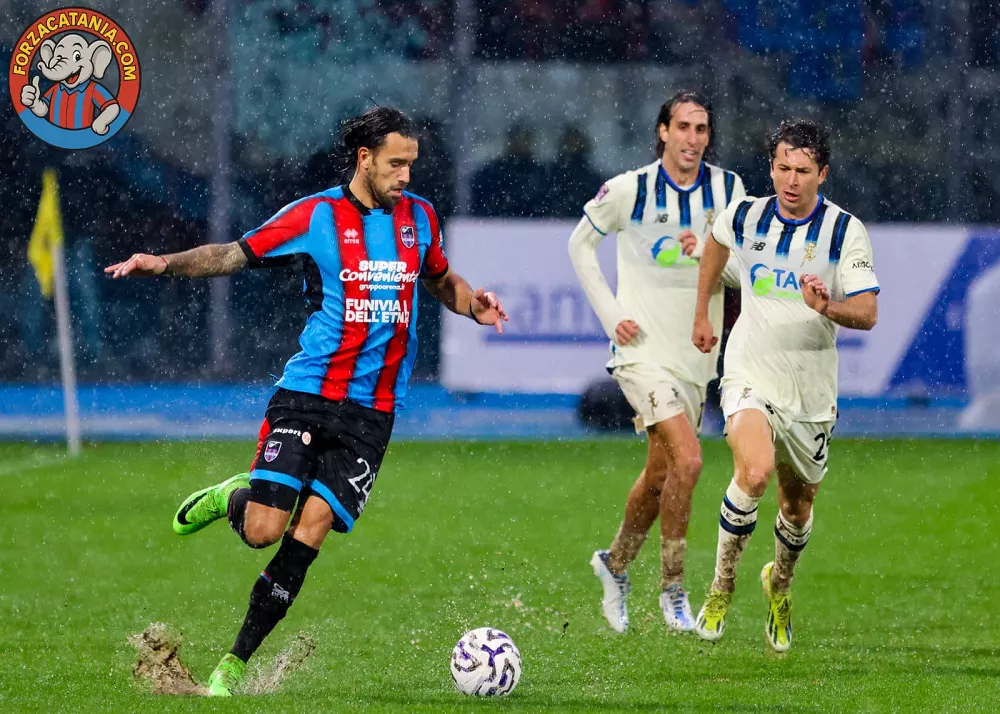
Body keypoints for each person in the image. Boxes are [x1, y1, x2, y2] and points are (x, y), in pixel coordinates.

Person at [105, 106, 508, 695]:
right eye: (396, 164)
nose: (406, 176)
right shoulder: (315, 215)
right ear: (364, 159)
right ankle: (234, 496)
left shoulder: (419, 218)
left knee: (311, 531)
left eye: (412, 165)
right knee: (263, 530)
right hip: (308, 394)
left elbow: (442, 279)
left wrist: (473, 305)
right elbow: (232, 253)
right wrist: (163, 263)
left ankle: (232, 665)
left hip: (373, 414)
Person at [691, 119, 879, 652]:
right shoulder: (745, 214)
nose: (791, 181)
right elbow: (714, 244)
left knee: (796, 508)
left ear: (823, 174)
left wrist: (828, 307)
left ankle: (780, 583)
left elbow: (867, 312)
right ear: (771, 167)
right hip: (750, 371)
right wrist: (702, 311)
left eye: (802, 171)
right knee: (753, 471)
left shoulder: (844, 231)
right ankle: (721, 586)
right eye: (782, 168)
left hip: (812, 391)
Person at [567, 90, 746, 634]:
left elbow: (745, 272)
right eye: (683, 127)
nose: (693, 138)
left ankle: (615, 564)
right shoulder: (629, 189)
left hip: (695, 357)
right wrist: (611, 316)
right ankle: (673, 589)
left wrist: (709, 255)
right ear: (663, 131)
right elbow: (579, 246)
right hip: (640, 352)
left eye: (702, 128)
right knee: (689, 461)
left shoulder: (729, 191)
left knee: (662, 472)